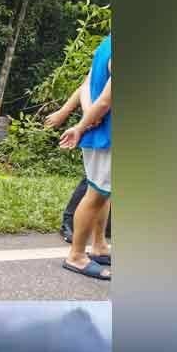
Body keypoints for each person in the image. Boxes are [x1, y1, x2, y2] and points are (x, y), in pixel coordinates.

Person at [58, 33, 112, 280]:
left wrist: (85, 121)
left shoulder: (107, 43)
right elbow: (104, 102)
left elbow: (88, 84)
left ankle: (99, 245)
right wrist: (82, 126)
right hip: (106, 136)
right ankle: (76, 255)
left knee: (103, 191)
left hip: (101, 133)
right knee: (96, 194)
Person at [45, 64, 111, 244]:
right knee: (96, 184)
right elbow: (87, 85)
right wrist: (81, 114)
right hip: (101, 126)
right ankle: (71, 227)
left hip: (99, 122)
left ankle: (99, 242)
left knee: (101, 187)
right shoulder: (107, 49)